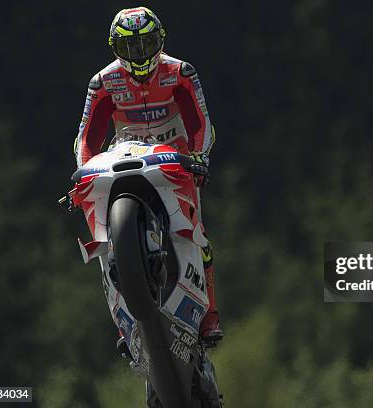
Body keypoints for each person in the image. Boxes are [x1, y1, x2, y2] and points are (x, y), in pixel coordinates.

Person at [74, 6, 222, 345]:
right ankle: (126, 325)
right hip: (122, 156)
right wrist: (82, 174)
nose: (140, 54)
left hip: (174, 160)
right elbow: (86, 137)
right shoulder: (102, 82)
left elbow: (201, 123)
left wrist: (199, 157)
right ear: (115, 48)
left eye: (147, 43)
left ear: (161, 41)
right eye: (130, 47)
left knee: (196, 231)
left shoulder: (181, 72)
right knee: (103, 242)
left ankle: (209, 315)